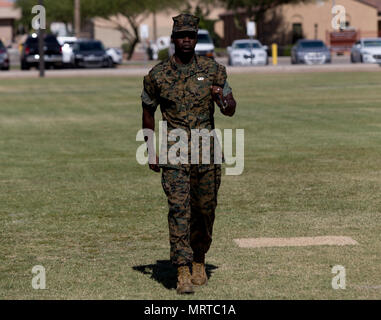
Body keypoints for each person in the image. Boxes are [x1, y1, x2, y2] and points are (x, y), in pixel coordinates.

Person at [141, 13, 237, 294]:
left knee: (205, 211)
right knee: (179, 210)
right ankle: (182, 270)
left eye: (191, 35)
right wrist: (150, 149)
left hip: (207, 152)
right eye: (181, 35)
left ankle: (199, 259)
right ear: (173, 38)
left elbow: (230, 109)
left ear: (196, 39)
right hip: (175, 152)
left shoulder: (215, 71)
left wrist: (224, 98)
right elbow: (147, 112)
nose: (186, 39)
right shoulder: (157, 75)